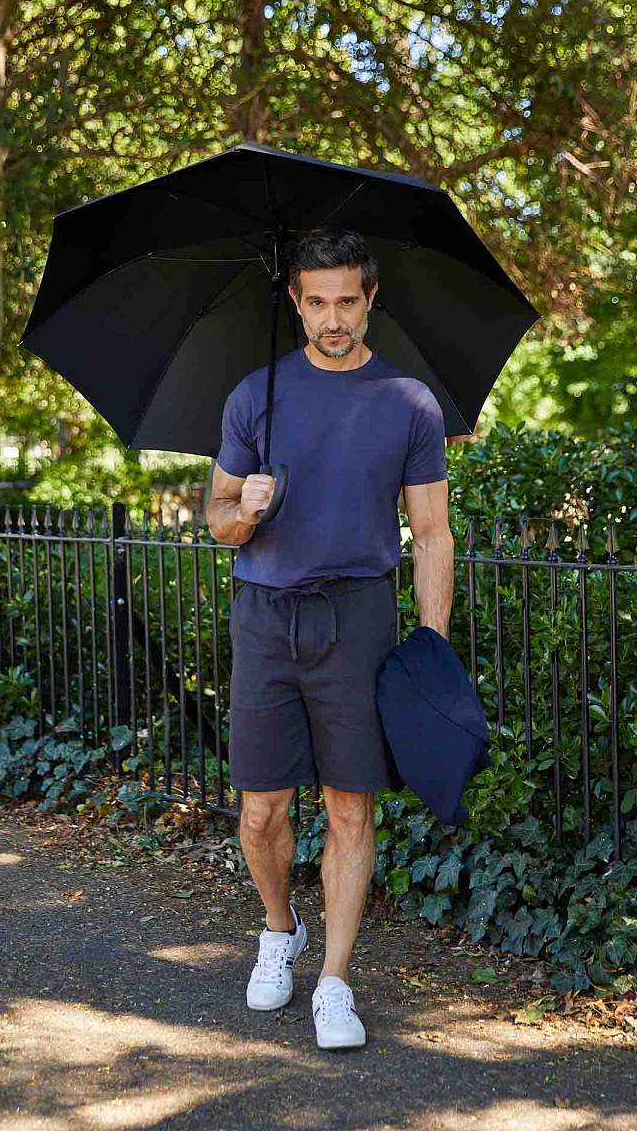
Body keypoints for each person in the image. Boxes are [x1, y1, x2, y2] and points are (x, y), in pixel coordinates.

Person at [205, 226, 454, 1050]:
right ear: (296, 301)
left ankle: (335, 982)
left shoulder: (409, 403)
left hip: (357, 616)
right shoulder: (255, 396)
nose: (334, 319)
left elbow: (432, 533)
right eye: (317, 303)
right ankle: (281, 928)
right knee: (260, 810)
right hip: (265, 614)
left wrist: (431, 645)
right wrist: (245, 511)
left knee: (350, 805)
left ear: (370, 297)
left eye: (347, 301)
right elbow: (217, 519)